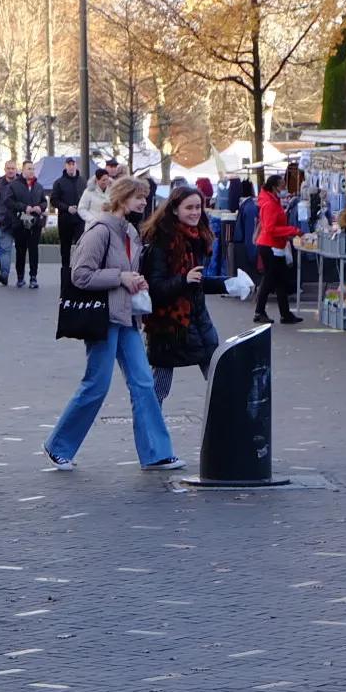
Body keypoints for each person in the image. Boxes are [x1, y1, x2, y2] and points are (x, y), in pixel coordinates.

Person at [43, 176, 180, 471]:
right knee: (97, 384)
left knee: (143, 383)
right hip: (104, 318)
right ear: (121, 198)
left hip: (126, 317)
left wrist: (135, 281)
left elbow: (124, 272)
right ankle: (58, 446)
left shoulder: (129, 231)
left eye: (144, 197)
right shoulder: (100, 230)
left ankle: (156, 453)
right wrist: (120, 277)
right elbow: (80, 275)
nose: (143, 202)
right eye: (138, 197)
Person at [141, 183, 223, 439]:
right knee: (160, 386)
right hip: (169, 325)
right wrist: (183, 280)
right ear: (175, 209)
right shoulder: (162, 242)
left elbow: (197, 282)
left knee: (220, 378)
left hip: (198, 321)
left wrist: (229, 284)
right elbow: (155, 288)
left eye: (198, 207)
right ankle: (152, 437)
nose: (195, 212)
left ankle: (229, 430)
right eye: (189, 207)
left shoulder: (199, 238)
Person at [252, 172, 303, 324]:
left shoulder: (273, 202)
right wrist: (292, 230)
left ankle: (284, 313)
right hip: (270, 246)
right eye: (282, 185)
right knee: (270, 279)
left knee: (279, 280)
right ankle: (260, 312)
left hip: (273, 246)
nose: (285, 188)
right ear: (274, 188)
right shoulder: (270, 204)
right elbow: (270, 229)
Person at [10, 168, 50, 289]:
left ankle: (33, 277)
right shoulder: (14, 185)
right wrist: (24, 207)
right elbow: (9, 202)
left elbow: (44, 202)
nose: (31, 171)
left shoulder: (38, 186)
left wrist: (40, 207)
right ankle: (20, 277)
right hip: (20, 223)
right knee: (20, 251)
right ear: (23, 170)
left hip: (35, 223)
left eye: (33, 169)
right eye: (29, 169)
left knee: (33, 250)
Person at [51, 156, 87, 271]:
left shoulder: (83, 181)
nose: (71, 167)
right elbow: (54, 201)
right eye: (69, 164)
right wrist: (67, 208)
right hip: (65, 221)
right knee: (65, 249)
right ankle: (65, 272)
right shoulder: (59, 183)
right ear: (65, 166)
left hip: (80, 220)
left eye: (73, 164)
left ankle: (80, 270)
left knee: (81, 246)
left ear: (76, 165)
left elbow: (88, 198)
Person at [0, 161, 21, 284]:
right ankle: (4, 274)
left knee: (21, 250)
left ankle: (21, 277)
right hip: (3, 223)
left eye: (13, 168)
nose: (11, 170)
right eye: (8, 168)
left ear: (16, 169)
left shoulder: (21, 184)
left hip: (20, 222)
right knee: (5, 250)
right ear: (5, 169)